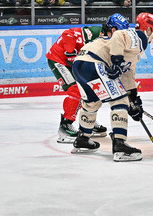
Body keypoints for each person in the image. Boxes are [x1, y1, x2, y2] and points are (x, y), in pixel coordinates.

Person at [70, 12, 153, 161]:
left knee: (92, 102)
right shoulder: (140, 36)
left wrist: (134, 99)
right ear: (149, 29)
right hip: (95, 61)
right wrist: (116, 62)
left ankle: (83, 139)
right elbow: (118, 36)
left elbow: (128, 74)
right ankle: (120, 145)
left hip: (80, 63)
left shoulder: (131, 50)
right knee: (120, 101)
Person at [46, 13, 128, 142]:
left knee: (92, 91)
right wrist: (69, 51)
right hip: (59, 59)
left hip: (78, 64)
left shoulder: (112, 42)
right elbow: (68, 33)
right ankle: (65, 125)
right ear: (113, 30)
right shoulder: (96, 32)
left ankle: (88, 121)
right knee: (75, 90)